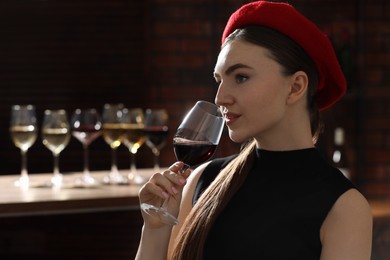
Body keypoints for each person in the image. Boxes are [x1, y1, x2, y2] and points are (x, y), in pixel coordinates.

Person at [135, 1, 372, 259]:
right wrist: (155, 229)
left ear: (295, 87)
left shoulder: (344, 207)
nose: (220, 97)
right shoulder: (203, 179)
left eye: (241, 78)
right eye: (219, 80)